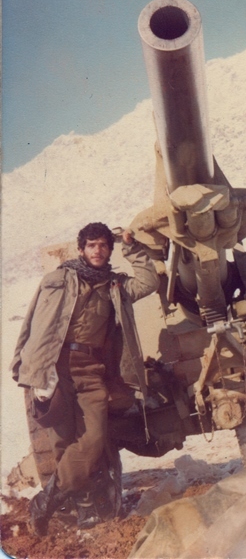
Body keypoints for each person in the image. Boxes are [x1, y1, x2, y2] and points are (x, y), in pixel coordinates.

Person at [10, 222, 160, 536]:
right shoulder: (58, 279)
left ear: (110, 250)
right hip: (56, 368)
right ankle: (80, 512)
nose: (97, 250)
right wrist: (28, 367)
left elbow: (148, 281)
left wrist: (132, 246)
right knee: (62, 444)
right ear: (81, 249)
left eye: (103, 245)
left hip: (92, 371)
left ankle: (44, 503)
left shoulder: (116, 286)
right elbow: (34, 322)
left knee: (93, 441)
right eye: (91, 245)